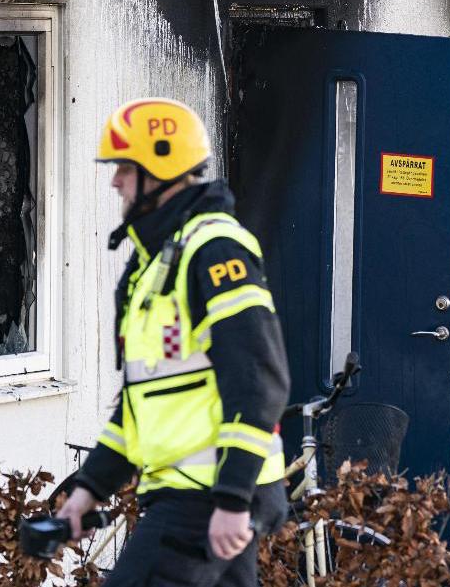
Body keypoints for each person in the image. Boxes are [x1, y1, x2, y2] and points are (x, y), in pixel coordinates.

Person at [56, 98, 291, 586]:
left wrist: (231, 499)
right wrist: (87, 491)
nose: (116, 181)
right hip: (196, 493)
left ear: (159, 170)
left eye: (125, 167)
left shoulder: (213, 250)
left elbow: (258, 381)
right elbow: (142, 406)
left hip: (206, 497)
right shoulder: (158, 263)